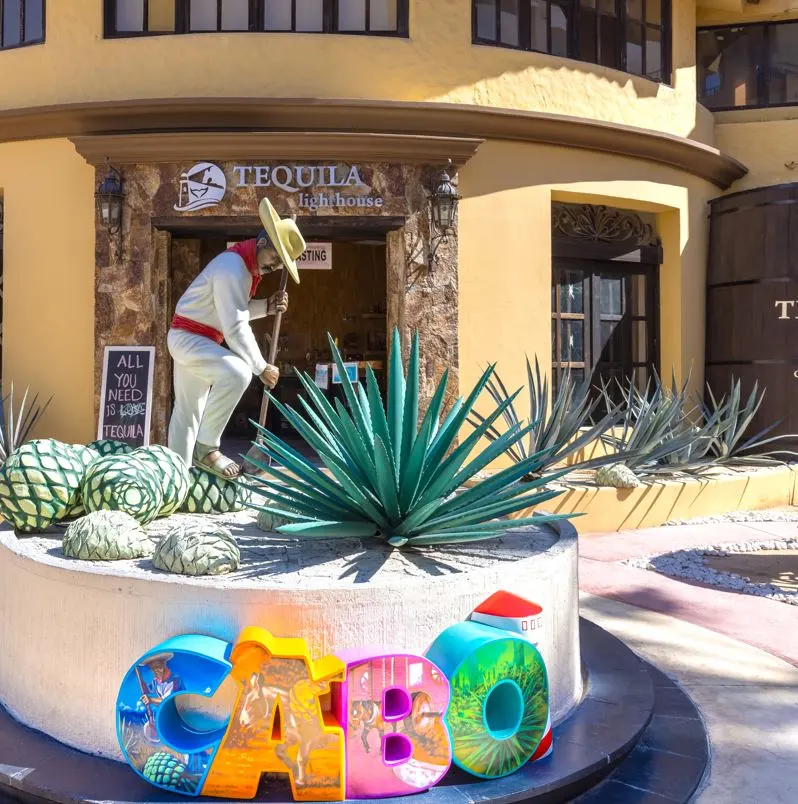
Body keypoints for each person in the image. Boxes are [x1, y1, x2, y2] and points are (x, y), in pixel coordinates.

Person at [167, 198, 306, 479]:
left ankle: (176, 476)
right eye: (276, 257)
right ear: (264, 243)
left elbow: (231, 309)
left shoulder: (241, 267)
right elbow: (234, 325)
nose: (276, 266)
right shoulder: (234, 268)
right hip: (191, 339)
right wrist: (260, 366)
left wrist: (266, 306)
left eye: (282, 263)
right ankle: (207, 449)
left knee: (188, 411)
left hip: (195, 340)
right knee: (238, 372)